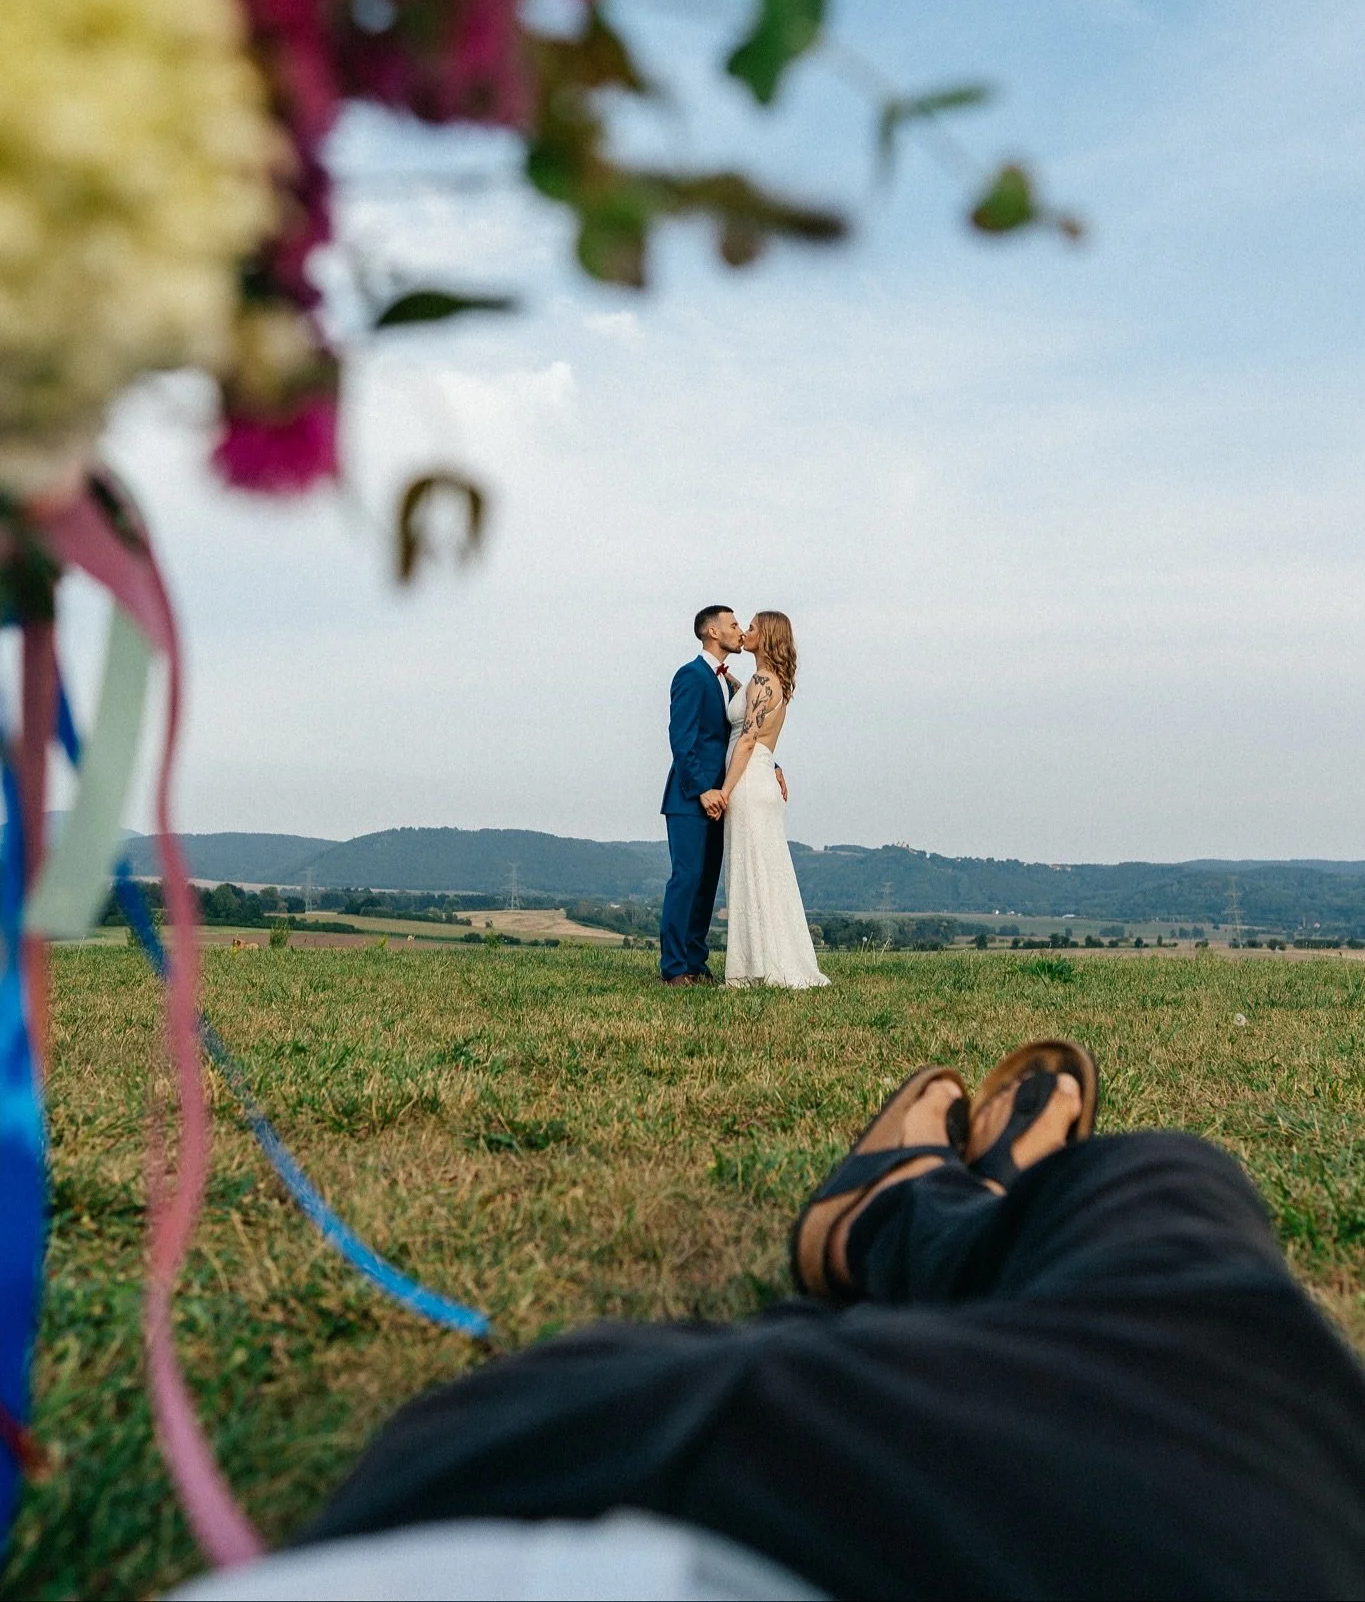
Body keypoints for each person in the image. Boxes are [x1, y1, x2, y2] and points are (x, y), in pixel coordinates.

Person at [187, 1038, 1365, 1601]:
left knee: (1168, 1217)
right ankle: (922, 1213)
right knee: (1169, 1191)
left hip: (571, 1490)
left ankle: (916, 1213)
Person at [658, 606, 783, 988]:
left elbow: (747, 732)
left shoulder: (726, 681)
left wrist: (772, 765)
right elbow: (681, 741)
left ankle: (696, 962)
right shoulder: (691, 675)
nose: (739, 630)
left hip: (725, 797)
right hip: (690, 798)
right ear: (712, 631)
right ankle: (675, 967)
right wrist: (702, 790)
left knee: (708, 882)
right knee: (687, 878)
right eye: (732, 624)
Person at [720, 612, 828, 988]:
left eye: (751, 628)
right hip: (761, 775)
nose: (745, 633)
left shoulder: (764, 681)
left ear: (766, 637)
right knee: (762, 870)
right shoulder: (768, 681)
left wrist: (725, 789)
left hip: (748, 781)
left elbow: (748, 737)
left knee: (751, 871)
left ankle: (753, 968)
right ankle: (764, 961)